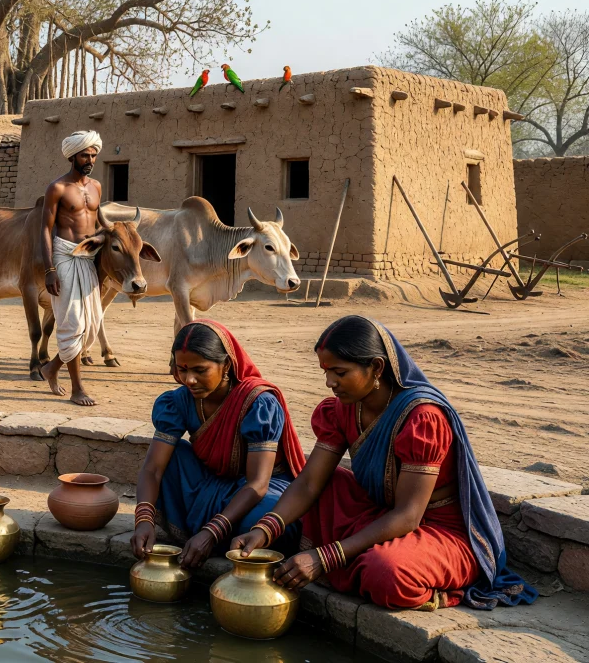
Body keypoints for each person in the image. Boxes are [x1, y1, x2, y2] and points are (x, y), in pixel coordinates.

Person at [231, 316, 537, 611]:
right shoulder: (341, 410)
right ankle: (354, 560)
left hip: (440, 531)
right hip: (380, 514)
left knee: (385, 574)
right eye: (325, 372)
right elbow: (310, 483)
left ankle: (438, 588)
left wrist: (325, 558)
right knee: (329, 482)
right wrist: (264, 530)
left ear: (376, 368)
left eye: (340, 372)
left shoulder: (422, 419)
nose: (330, 383)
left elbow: (407, 517)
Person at [131, 320, 306, 568]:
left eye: (200, 370)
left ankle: (209, 533)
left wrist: (212, 531)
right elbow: (153, 469)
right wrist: (144, 520)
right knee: (173, 456)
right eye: (182, 369)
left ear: (225, 365)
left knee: (261, 521)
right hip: (211, 480)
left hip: (260, 489)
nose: (189, 380)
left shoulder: (257, 404)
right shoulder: (177, 402)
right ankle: (205, 533)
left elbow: (257, 484)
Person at [39, 130, 105, 406]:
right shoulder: (58, 188)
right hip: (65, 258)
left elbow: (98, 222)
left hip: (87, 259)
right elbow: (45, 228)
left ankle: (52, 368)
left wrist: (101, 237)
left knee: (91, 325)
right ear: (72, 156)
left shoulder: (97, 187)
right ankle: (78, 388)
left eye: (93, 155)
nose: (90, 159)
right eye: (84, 155)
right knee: (73, 325)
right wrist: (49, 269)